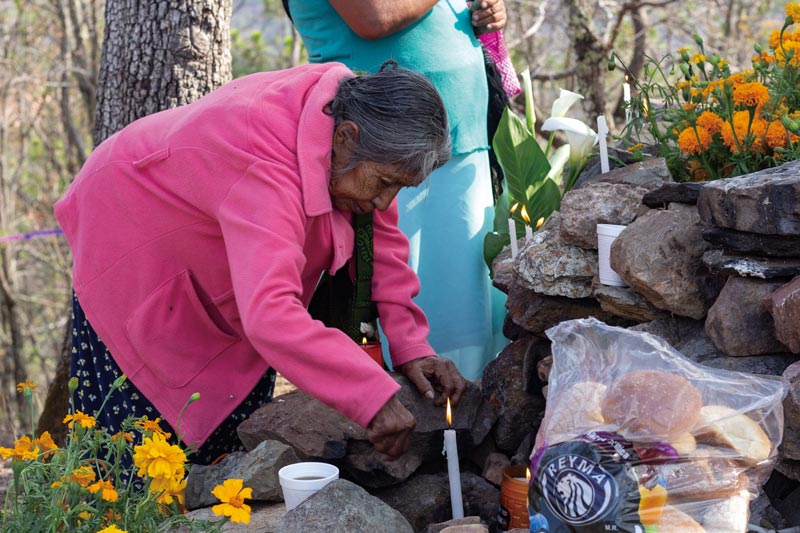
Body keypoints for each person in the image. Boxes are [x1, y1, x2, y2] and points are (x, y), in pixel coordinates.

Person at [55, 61, 467, 464]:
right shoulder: (264, 158)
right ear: (345, 137)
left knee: (229, 437)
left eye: (399, 187)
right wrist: (370, 395)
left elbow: (379, 242)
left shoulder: (361, 133)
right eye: (385, 183)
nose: (383, 202)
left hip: (218, 258)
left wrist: (412, 346)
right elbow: (270, 315)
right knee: (132, 459)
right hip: (127, 231)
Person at [287, 0, 510, 381]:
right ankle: (425, 416)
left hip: (460, 133)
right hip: (379, 146)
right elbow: (374, 17)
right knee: (410, 292)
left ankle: (467, 417)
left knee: (470, 303)